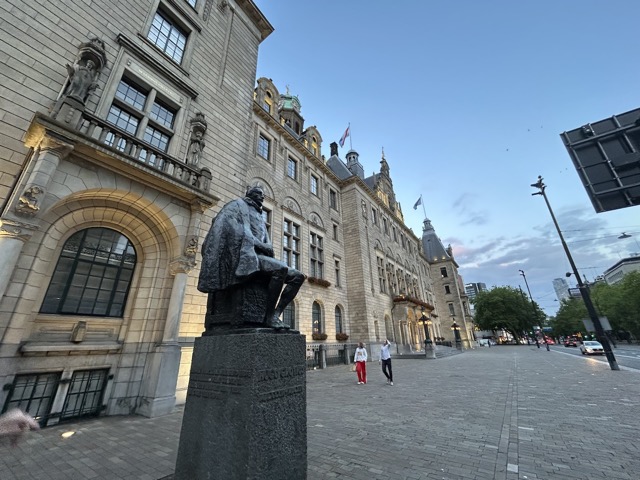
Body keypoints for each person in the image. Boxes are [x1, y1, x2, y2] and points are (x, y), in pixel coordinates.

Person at [198, 186, 306, 328]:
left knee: (298, 276)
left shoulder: (258, 214)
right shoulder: (236, 206)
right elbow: (233, 231)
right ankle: (268, 318)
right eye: (260, 194)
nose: (262, 197)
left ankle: (275, 314)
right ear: (250, 194)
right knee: (281, 269)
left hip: (258, 257)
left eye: (263, 195)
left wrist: (267, 246)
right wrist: (261, 245)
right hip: (245, 256)